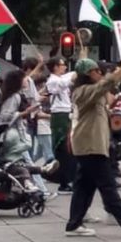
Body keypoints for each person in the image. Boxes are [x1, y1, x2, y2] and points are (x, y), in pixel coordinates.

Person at [64, 57, 121, 237]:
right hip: (90, 145)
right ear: (88, 74)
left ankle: (74, 224)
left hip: (92, 143)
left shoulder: (89, 91)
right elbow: (104, 85)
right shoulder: (83, 91)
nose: (100, 73)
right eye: (97, 71)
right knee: (107, 185)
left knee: (84, 187)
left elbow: (104, 90)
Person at [0, 69, 51, 195]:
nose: (27, 80)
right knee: (26, 161)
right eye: (24, 78)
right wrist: (24, 113)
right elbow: (4, 116)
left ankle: (38, 187)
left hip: (18, 133)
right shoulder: (15, 97)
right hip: (14, 136)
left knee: (25, 161)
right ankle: (41, 188)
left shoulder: (17, 95)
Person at [46, 56, 77, 194]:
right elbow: (66, 81)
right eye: (62, 65)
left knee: (69, 149)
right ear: (55, 67)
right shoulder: (53, 81)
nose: (64, 67)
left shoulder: (59, 78)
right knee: (63, 149)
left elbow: (70, 76)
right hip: (59, 115)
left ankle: (67, 178)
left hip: (65, 114)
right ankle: (63, 181)